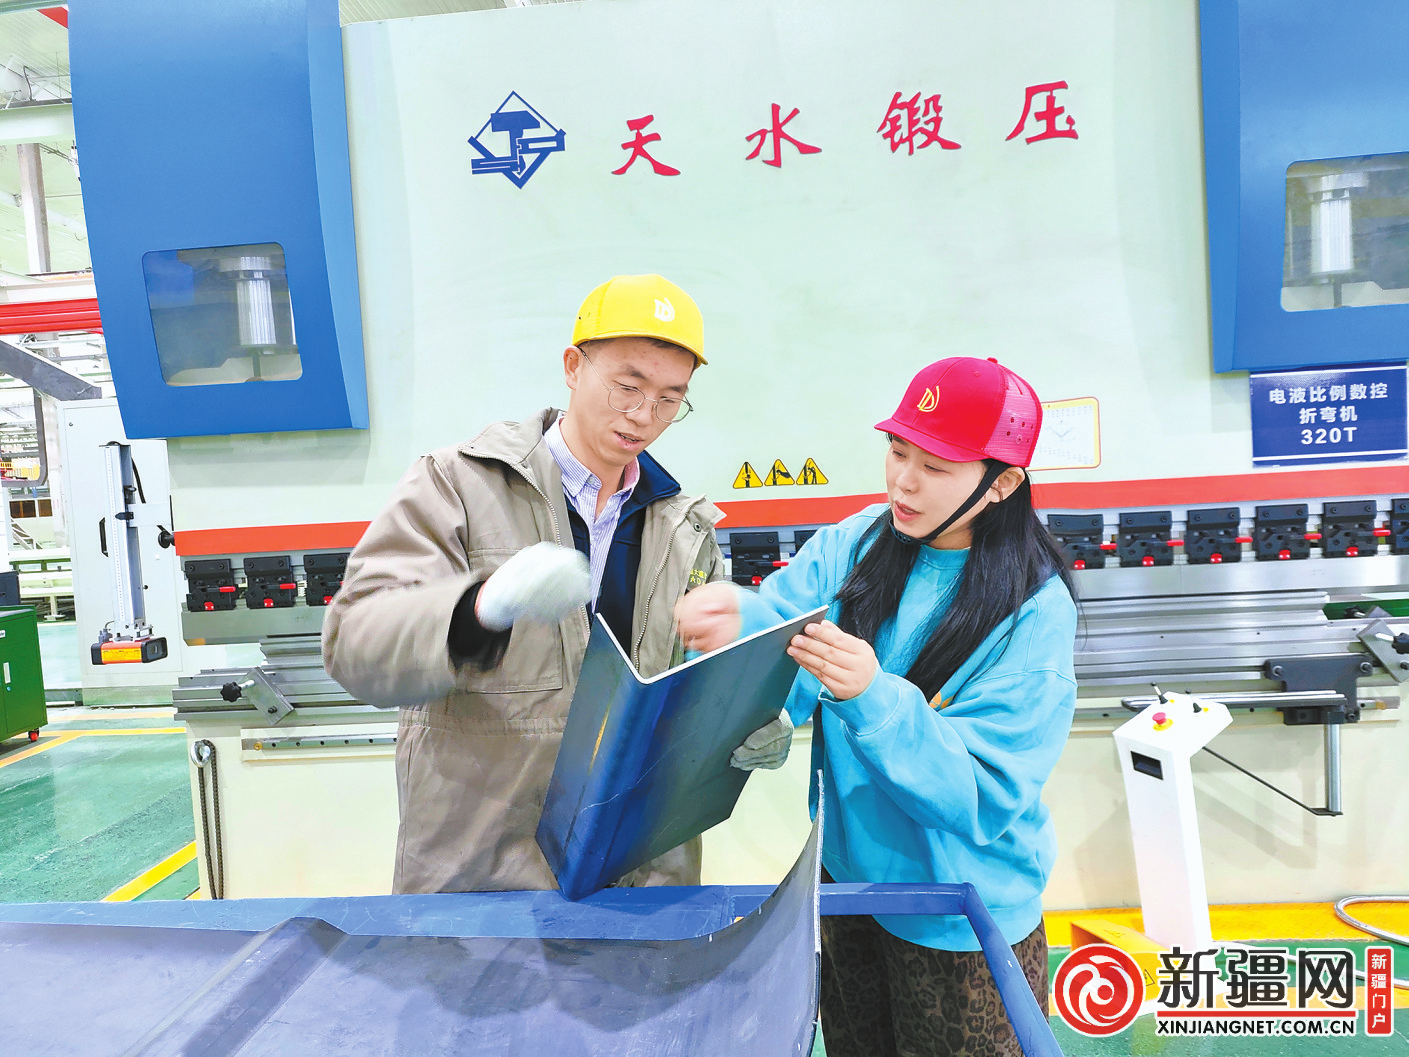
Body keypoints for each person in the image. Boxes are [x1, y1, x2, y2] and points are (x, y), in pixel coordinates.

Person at [675, 356, 1078, 1057]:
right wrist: (740, 623)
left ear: (1002, 483)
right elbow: (785, 622)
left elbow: (983, 793)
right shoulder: (860, 540)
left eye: (935, 466)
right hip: (849, 884)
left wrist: (873, 697)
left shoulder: (1032, 613)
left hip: (960, 912)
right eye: (897, 450)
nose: (903, 481)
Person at [323, 274, 730, 894]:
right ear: (573, 366)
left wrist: (743, 708)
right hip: (487, 877)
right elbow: (355, 645)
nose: (644, 416)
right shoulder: (457, 485)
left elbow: (695, 699)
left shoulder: (685, 528)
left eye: (670, 399)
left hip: (640, 881)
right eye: (627, 386)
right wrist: (474, 611)